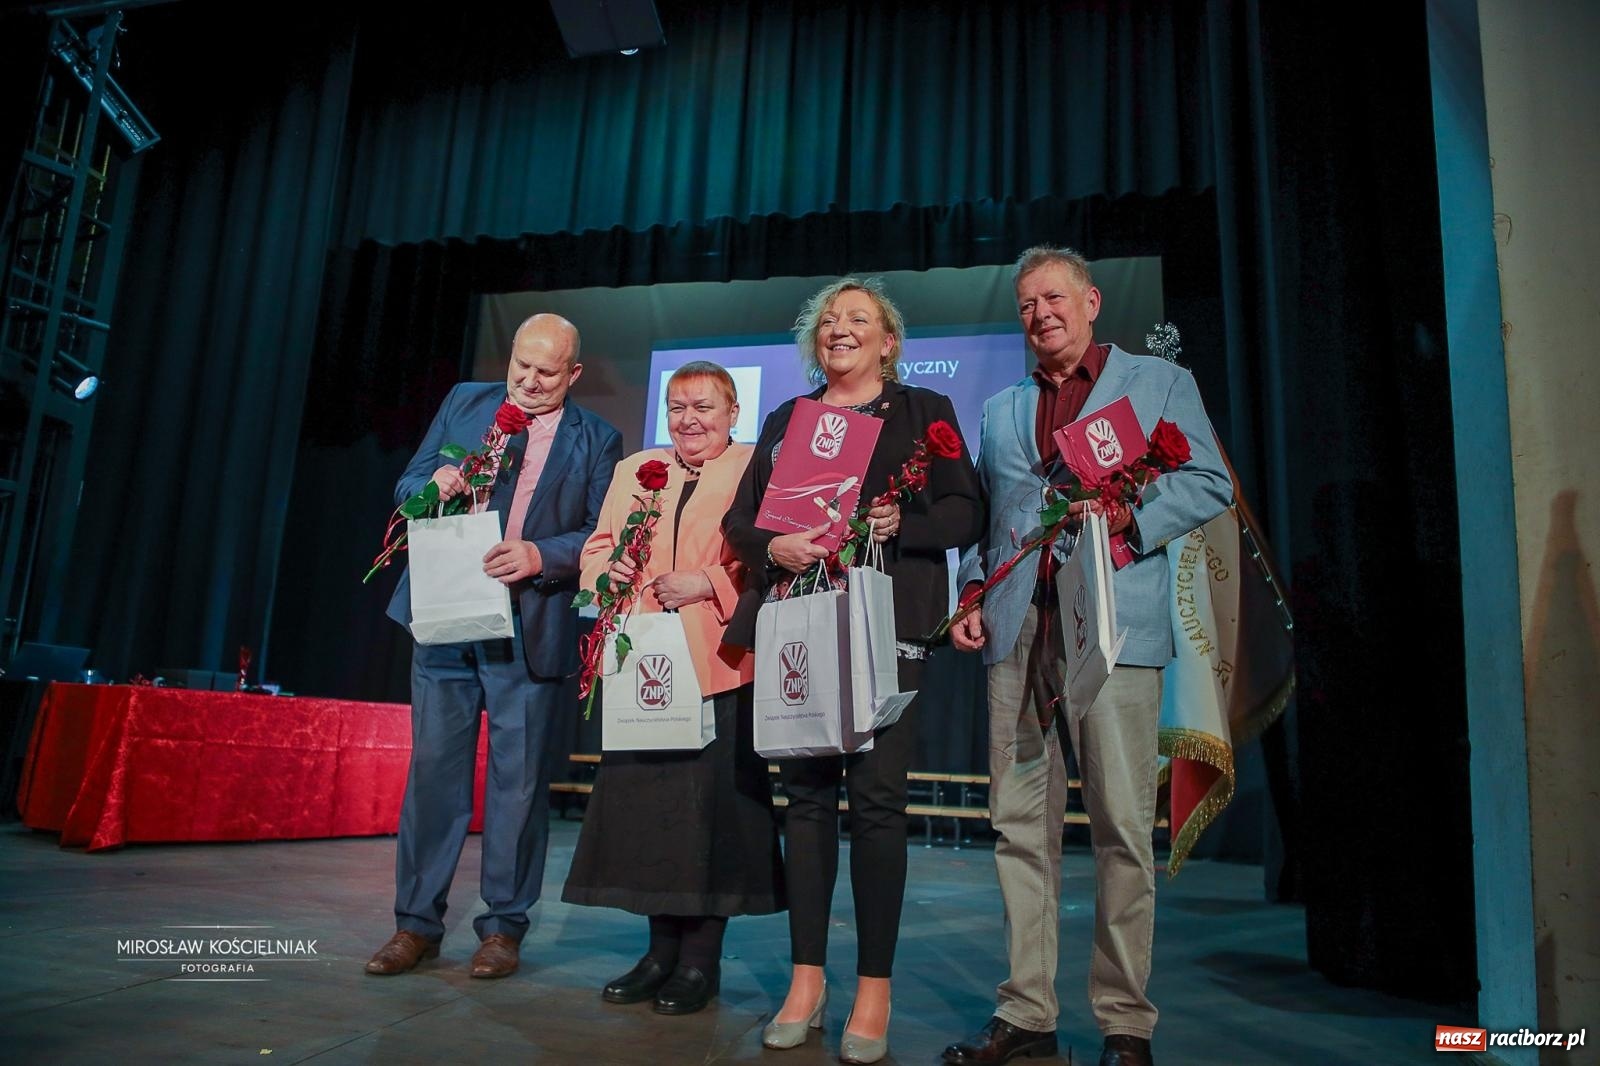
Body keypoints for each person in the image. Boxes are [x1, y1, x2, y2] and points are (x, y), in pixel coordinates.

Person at [942, 247, 1231, 1066]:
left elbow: (1208, 479)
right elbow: (989, 521)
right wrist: (971, 592)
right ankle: (1027, 1015)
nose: (1041, 314)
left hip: (1115, 631)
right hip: (1019, 637)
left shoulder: (1156, 383)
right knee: (1018, 828)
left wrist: (1131, 528)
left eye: (1055, 297)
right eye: (1027, 303)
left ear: (1093, 301)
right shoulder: (999, 408)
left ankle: (1125, 1024)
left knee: (1121, 832)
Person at [724, 277, 983, 1064]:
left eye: (858, 319)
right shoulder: (785, 420)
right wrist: (775, 547)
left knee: (875, 804)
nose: (841, 329)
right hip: (801, 625)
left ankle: (874, 986)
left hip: (887, 629)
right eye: (829, 320)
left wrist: (903, 521)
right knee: (804, 801)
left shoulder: (922, 415)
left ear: (888, 341)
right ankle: (808, 980)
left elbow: (965, 511)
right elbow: (742, 520)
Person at [365, 313, 623, 980]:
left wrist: (540, 553)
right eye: (521, 368)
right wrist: (431, 489)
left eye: (546, 372)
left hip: (527, 623)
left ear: (574, 374)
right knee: (433, 777)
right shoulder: (464, 402)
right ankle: (415, 925)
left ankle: (503, 927)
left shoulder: (597, 438)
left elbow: (601, 534)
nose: (530, 383)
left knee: (518, 785)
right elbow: (407, 488)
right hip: (448, 615)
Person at [561, 361, 784, 1015]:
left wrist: (710, 584)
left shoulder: (754, 465)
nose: (689, 419)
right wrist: (613, 575)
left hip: (719, 659)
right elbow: (598, 545)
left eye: (704, 406)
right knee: (648, 813)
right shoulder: (636, 468)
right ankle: (658, 955)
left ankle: (699, 963)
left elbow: (771, 554)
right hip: (645, 664)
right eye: (678, 406)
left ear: (733, 411)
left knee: (708, 814)